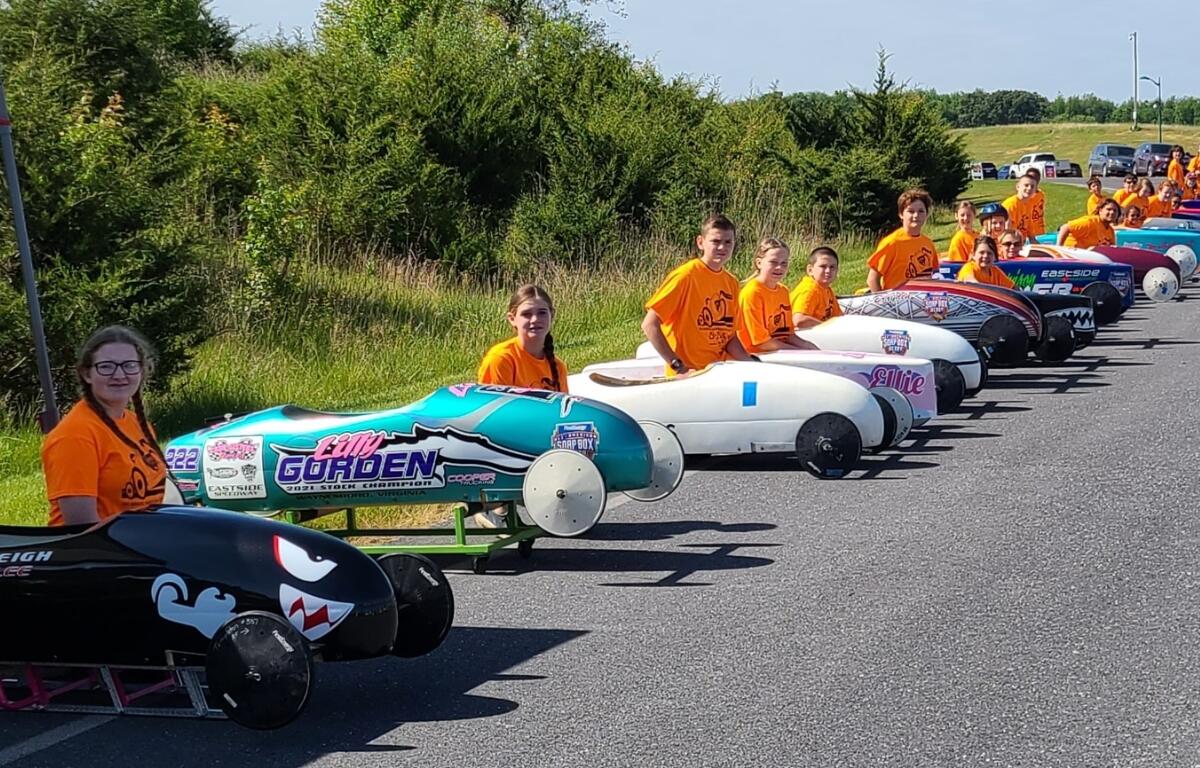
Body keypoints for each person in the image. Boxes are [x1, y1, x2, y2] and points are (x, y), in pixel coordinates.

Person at [42, 325, 167, 527]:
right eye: (107, 366)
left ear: (142, 371)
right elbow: (81, 526)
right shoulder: (75, 435)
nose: (119, 375)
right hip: (94, 553)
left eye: (129, 365)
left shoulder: (137, 424)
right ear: (87, 374)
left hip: (142, 545)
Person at [643, 214, 753, 375]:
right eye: (716, 241)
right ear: (700, 242)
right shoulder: (686, 276)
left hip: (717, 371)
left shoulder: (731, 282)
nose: (722, 248)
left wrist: (751, 364)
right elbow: (649, 325)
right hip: (689, 375)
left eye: (728, 242)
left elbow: (729, 337)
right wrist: (677, 366)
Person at [478, 284, 568, 392]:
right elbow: (495, 406)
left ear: (552, 315)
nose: (535, 319)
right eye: (526, 314)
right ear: (512, 319)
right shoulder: (501, 359)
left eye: (542, 313)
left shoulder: (558, 367)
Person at [735, 238, 818, 353]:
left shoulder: (783, 291)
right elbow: (762, 342)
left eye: (784, 263)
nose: (779, 268)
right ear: (759, 263)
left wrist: (808, 346)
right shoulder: (752, 293)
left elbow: (788, 334)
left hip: (778, 350)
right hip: (756, 355)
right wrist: (798, 351)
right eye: (773, 262)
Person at [865, 188, 938, 292]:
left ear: (926, 214)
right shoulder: (892, 242)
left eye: (921, 211)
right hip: (897, 303)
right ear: (901, 214)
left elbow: (933, 273)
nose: (916, 215)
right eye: (911, 211)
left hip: (922, 301)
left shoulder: (928, 243)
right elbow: (872, 280)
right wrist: (884, 304)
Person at [791, 246, 843, 329]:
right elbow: (799, 320)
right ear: (810, 270)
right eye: (823, 266)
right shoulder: (809, 290)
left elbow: (839, 317)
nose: (828, 271)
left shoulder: (827, 290)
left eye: (832, 267)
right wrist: (828, 327)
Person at [1022, 168, 1047, 237]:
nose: (1033, 180)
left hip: (1040, 230)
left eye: (1035, 178)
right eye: (1030, 177)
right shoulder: (1025, 196)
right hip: (1028, 232)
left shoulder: (1041, 194)